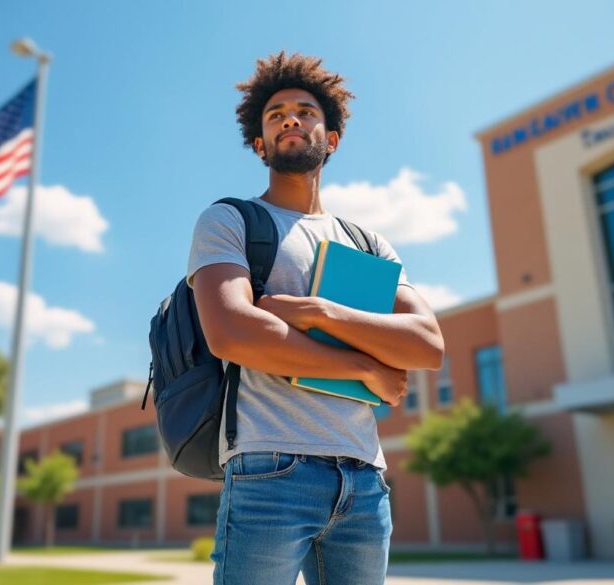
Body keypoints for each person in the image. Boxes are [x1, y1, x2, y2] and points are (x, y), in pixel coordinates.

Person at [188, 51, 445, 585]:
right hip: (269, 468)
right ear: (260, 143)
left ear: (331, 140)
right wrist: (366, 366)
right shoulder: (231, 220)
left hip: (364, 479)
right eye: (276, 114)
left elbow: (426, 344)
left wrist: (318, 311)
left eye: (306, 112)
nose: (291, 119)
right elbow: (232, 332)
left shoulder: (367, 244)